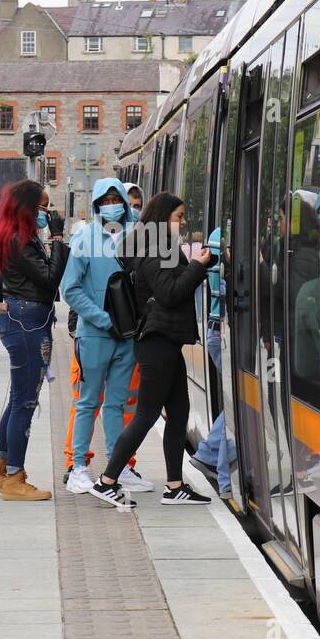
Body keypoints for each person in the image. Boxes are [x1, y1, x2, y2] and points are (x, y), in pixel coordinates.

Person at [90, 192, 216, 509]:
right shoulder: (154, 250)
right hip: (156, 341)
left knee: (179, 414)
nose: (184, 221)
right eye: (179, 216)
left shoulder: (161, 248)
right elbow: (170, 293)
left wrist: (200, 264)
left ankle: (175, 486)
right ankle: (106, 481)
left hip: (166, 340)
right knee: (146, 414)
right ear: (162, 219)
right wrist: (199, 267)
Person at [60, 178, 154, 495]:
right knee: (87, 403)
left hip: (127, 336)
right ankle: (78, 468)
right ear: (97, 204)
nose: (111, 204)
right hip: (95, 335)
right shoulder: (84, 238)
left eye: (116, 198)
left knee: (116, 403)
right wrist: (102, 319)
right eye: (105, 199)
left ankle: (121, 466)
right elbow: (69, 289)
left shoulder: (139, 236)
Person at [0, 181, 68, 501]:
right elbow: (49, 279)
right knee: (25, 402)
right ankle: (14, 478)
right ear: (28, 208)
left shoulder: (11, 236)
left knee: (19, 399)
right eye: (43, 207)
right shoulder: (20, 239)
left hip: (21, 319)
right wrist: (58, 239)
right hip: (27, 322)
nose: (48, 213)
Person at [191, 227, 233, 498]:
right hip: (222, 331)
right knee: (240, 403)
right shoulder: (224, 239)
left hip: (216, 330)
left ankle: (209, 454)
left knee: (239, 400)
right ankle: (212, 459)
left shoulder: (219, 235)